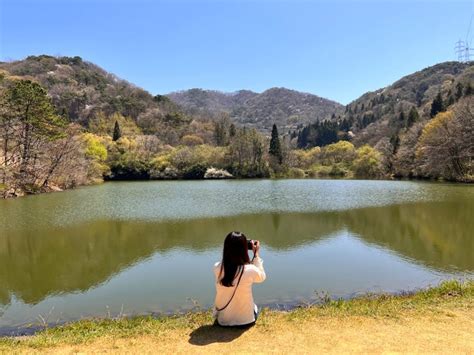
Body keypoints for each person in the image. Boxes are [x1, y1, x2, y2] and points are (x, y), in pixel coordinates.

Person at [213, 231, 266, 327]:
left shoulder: (217, 268)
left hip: (223, 321)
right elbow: (261, 277)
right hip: (246, 320)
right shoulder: (250, 270)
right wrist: (256, 255)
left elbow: (231, 266)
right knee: (254, 307)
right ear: (244, 249)